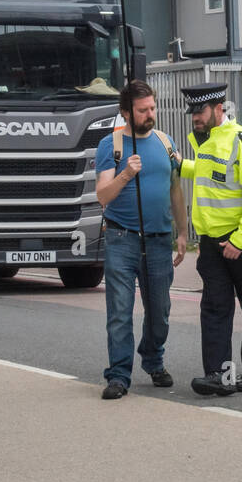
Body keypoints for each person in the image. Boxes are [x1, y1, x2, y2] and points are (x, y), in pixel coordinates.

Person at [177, 83, 242, 396]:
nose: (195, 118)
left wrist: (240, 241)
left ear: (219, 109)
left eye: (201, 112)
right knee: (215, 309)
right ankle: (221, 376)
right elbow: (211, 178)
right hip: (211, 243)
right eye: (192, 113)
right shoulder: (206, 143)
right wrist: (180, 165)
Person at [94, 79, 188, 400]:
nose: (150, 114)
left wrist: (184, 232)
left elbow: (175, 189)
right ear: (126, 112)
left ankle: (152, 357)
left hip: (160, 239)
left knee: (159, 309)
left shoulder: (165, 142)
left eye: (152, 108)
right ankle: (119, 375)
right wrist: (125, 174)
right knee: (120, 310)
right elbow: (102, 195)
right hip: (122, 238)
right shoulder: (112, 145)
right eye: (142, 110)